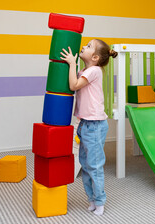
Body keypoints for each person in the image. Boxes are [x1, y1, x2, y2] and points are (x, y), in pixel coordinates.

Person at [60, 39, 118, 216]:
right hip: (85, 123)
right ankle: (91, 199)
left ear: (94, 57)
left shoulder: (94, 70)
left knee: (94, 165)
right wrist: (72, 66)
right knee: (85, 164)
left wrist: (71, 63)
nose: (83, 47)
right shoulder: (85, 70)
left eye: (88, 46)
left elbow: (73, 85)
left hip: (95, 125)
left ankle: (100, 201)